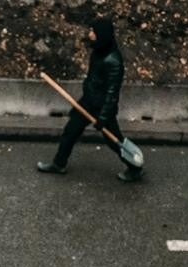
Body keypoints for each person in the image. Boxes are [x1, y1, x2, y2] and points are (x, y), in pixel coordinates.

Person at [36, 16, 143, 183]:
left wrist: (103, 117)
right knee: (70, 132)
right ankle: (59, 164)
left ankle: (135, 168)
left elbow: (112, 93)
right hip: (87, 103)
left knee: (114, 140)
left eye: (93, 31)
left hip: (102, 108)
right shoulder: (98, 51)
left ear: (101, 34)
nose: (90, 33)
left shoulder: (114, 61)